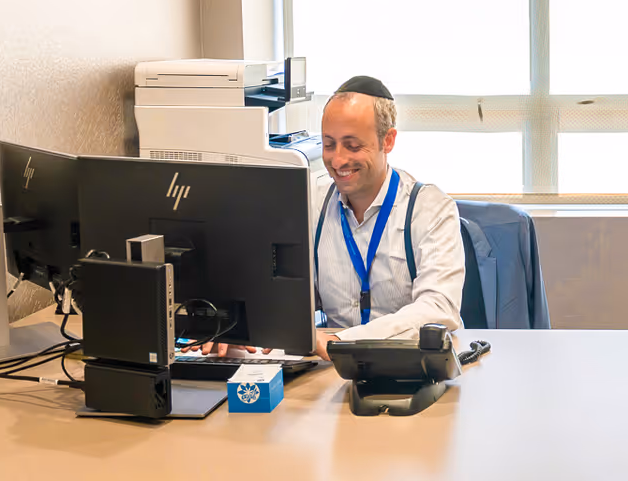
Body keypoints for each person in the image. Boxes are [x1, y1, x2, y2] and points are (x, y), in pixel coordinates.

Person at [199, 75, 464, 359]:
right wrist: (241, 326)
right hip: (331, 373)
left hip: (409, 367)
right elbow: (281, 291)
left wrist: (341, 339)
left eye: (352, 146)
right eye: (329, 144)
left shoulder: (429, 208)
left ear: (388, 141)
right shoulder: (311, 203)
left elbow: (439, 308)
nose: (337, 161)